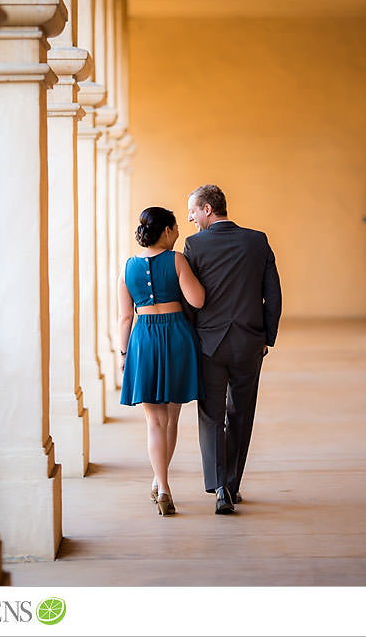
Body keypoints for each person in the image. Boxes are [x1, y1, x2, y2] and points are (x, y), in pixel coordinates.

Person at [184, 184, 282, 514]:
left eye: (193, 210)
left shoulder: (194, 245)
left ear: (208, 209)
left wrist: (192, 339)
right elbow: (273, 295)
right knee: (241, 413)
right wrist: (266, 338)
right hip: (248, 342)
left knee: (211, 414)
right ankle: (232, 484)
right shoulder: (258, 240)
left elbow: (190, 300)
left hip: (208, 344)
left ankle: (219, 488)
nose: (190, 217)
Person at [118, 207, 206, 517]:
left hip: (143, 340)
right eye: (177, 227)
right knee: (171, 419)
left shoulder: (128, 266)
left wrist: (124, 354)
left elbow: (125, 316)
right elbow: (197, 300)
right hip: (177, 337)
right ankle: (159, 480)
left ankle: (163, 485)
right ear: (167, 231)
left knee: (153, 422)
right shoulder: (177, 259)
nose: (180, 231)